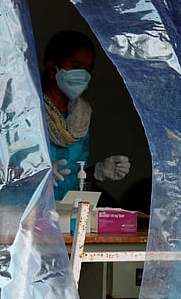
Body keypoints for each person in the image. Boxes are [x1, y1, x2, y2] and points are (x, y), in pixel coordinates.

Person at [41, 30, 131, 201]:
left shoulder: (81, 116)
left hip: (67, 212)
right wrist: (34, 176)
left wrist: (98, 171)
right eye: (76, 66)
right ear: (52, 65)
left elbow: (74, 174)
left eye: (88, 69)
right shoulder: (29, 109)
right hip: (28, 213)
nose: (83, 74)